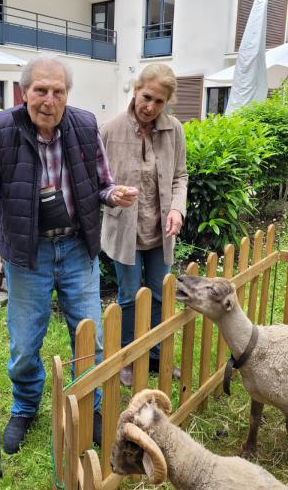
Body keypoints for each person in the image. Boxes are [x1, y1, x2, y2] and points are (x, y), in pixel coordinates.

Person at [0, 55, 137, 455]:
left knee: (91, 336)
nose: (49, 100)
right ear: (24, 92)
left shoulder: (85, 125)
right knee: (25, 344)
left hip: (77, 248)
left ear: (67, 94)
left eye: (58, 91)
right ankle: (26, 407)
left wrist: (114, 194)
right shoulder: (2, 129)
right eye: (41, 90)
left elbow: (101, 183)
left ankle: (90, 404)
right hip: (28, 254)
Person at [100, 63, 188, 387]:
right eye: (147, 97)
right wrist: (112, 195)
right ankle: (126, 358)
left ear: (167, 102)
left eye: (159, 101)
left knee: (160, 296)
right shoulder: (109, 130)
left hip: (160, 232)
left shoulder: (174, 130)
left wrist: (177, 209)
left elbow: (180, 176)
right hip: (125, 232)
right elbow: (98, 182)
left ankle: (155, 356)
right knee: (128, 297)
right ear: (136, 90)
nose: (150, 106)